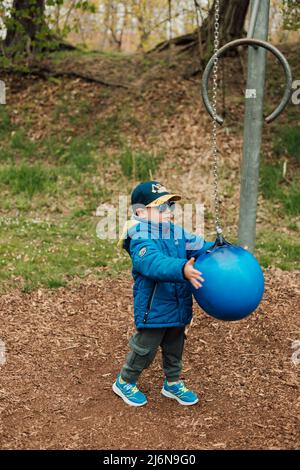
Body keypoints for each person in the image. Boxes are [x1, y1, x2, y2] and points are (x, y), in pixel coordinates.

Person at [113, 181, 213, 406]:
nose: (168, 211)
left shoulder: (176, 232)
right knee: (145, 348)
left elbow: (199, 245)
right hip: (154, 307)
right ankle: (125, 380)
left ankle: (172, 382)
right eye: (160, 208)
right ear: (141, 212)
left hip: (177, 304)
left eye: (169, 206)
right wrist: (182, 269)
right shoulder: (140, 238)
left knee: (175, 345)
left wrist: (221, 247)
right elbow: (152, 263)